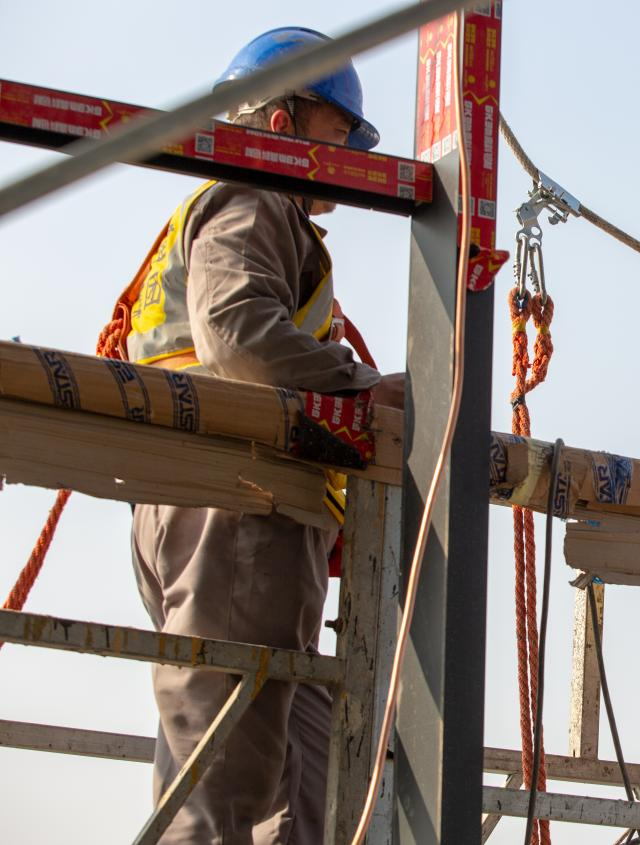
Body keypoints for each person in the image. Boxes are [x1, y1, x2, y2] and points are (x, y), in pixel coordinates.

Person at [123, 28, 400, 844]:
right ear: (282, 125)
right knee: (224, 775)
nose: (350, 151)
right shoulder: (254, 191)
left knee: (291, 758)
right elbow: (238, 333)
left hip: (227, 503)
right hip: (234, 498)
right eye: (338, 129)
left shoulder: (257, 210)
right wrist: (361, 387)